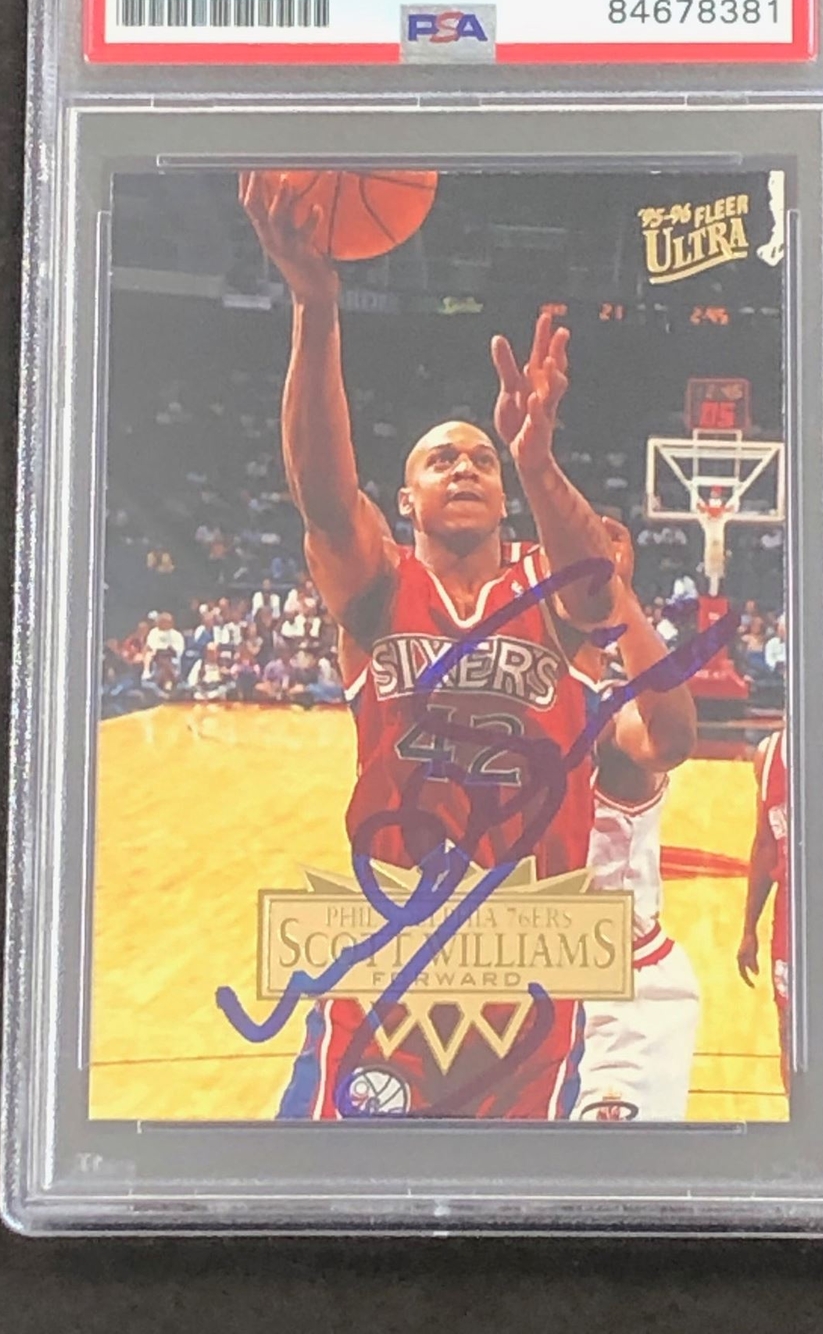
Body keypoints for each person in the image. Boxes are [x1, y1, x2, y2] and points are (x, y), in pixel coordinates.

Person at [241, 171, 618, 1122]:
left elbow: (599, 591)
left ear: (507, 493)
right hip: (394, 943)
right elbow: (324, 498)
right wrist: (315, 307)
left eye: (482, 458)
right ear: (403, 499)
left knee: (516, 1200)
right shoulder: (379, 589)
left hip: (530, 953)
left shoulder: (549, 586)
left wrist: (537, 458)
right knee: (353, 1194)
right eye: (440, 459)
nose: (465, 467)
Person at [571, 519, 702, 1123]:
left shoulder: (606, 716)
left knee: (604, 1177)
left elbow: (668, 739)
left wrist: (619, 597)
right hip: (519, 975)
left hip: (617, 990)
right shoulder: (496, 709)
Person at [738, 727, 791, 1093]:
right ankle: (799, 1113)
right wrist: (749, 929)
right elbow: (765, 847)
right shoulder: (769, 754)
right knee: (790, 1031)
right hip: (790, 917)